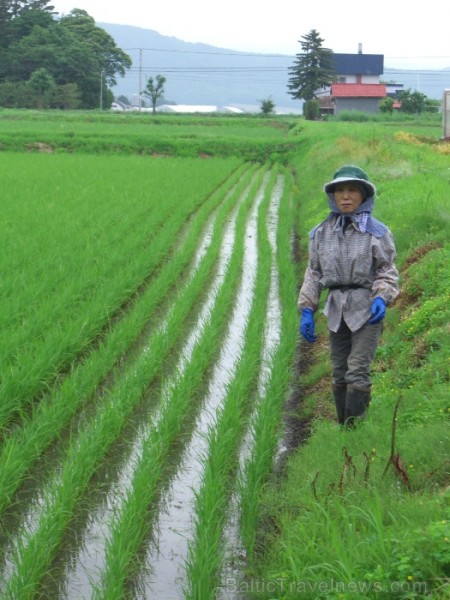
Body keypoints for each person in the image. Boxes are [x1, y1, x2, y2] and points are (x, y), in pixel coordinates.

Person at [298, 165, 399, 427]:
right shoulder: (321, 233)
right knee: (339, 372)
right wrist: (307, 309)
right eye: (339, 191)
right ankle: (345, 428)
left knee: (357, 371)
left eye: (352, 190)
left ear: (364, 195)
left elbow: (386, 270)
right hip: (336, 308)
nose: (345, 196)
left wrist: (381, 297)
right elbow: (314, 273)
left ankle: (355, 431)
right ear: (332, 196)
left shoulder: (377, 233)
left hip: (365, 308)